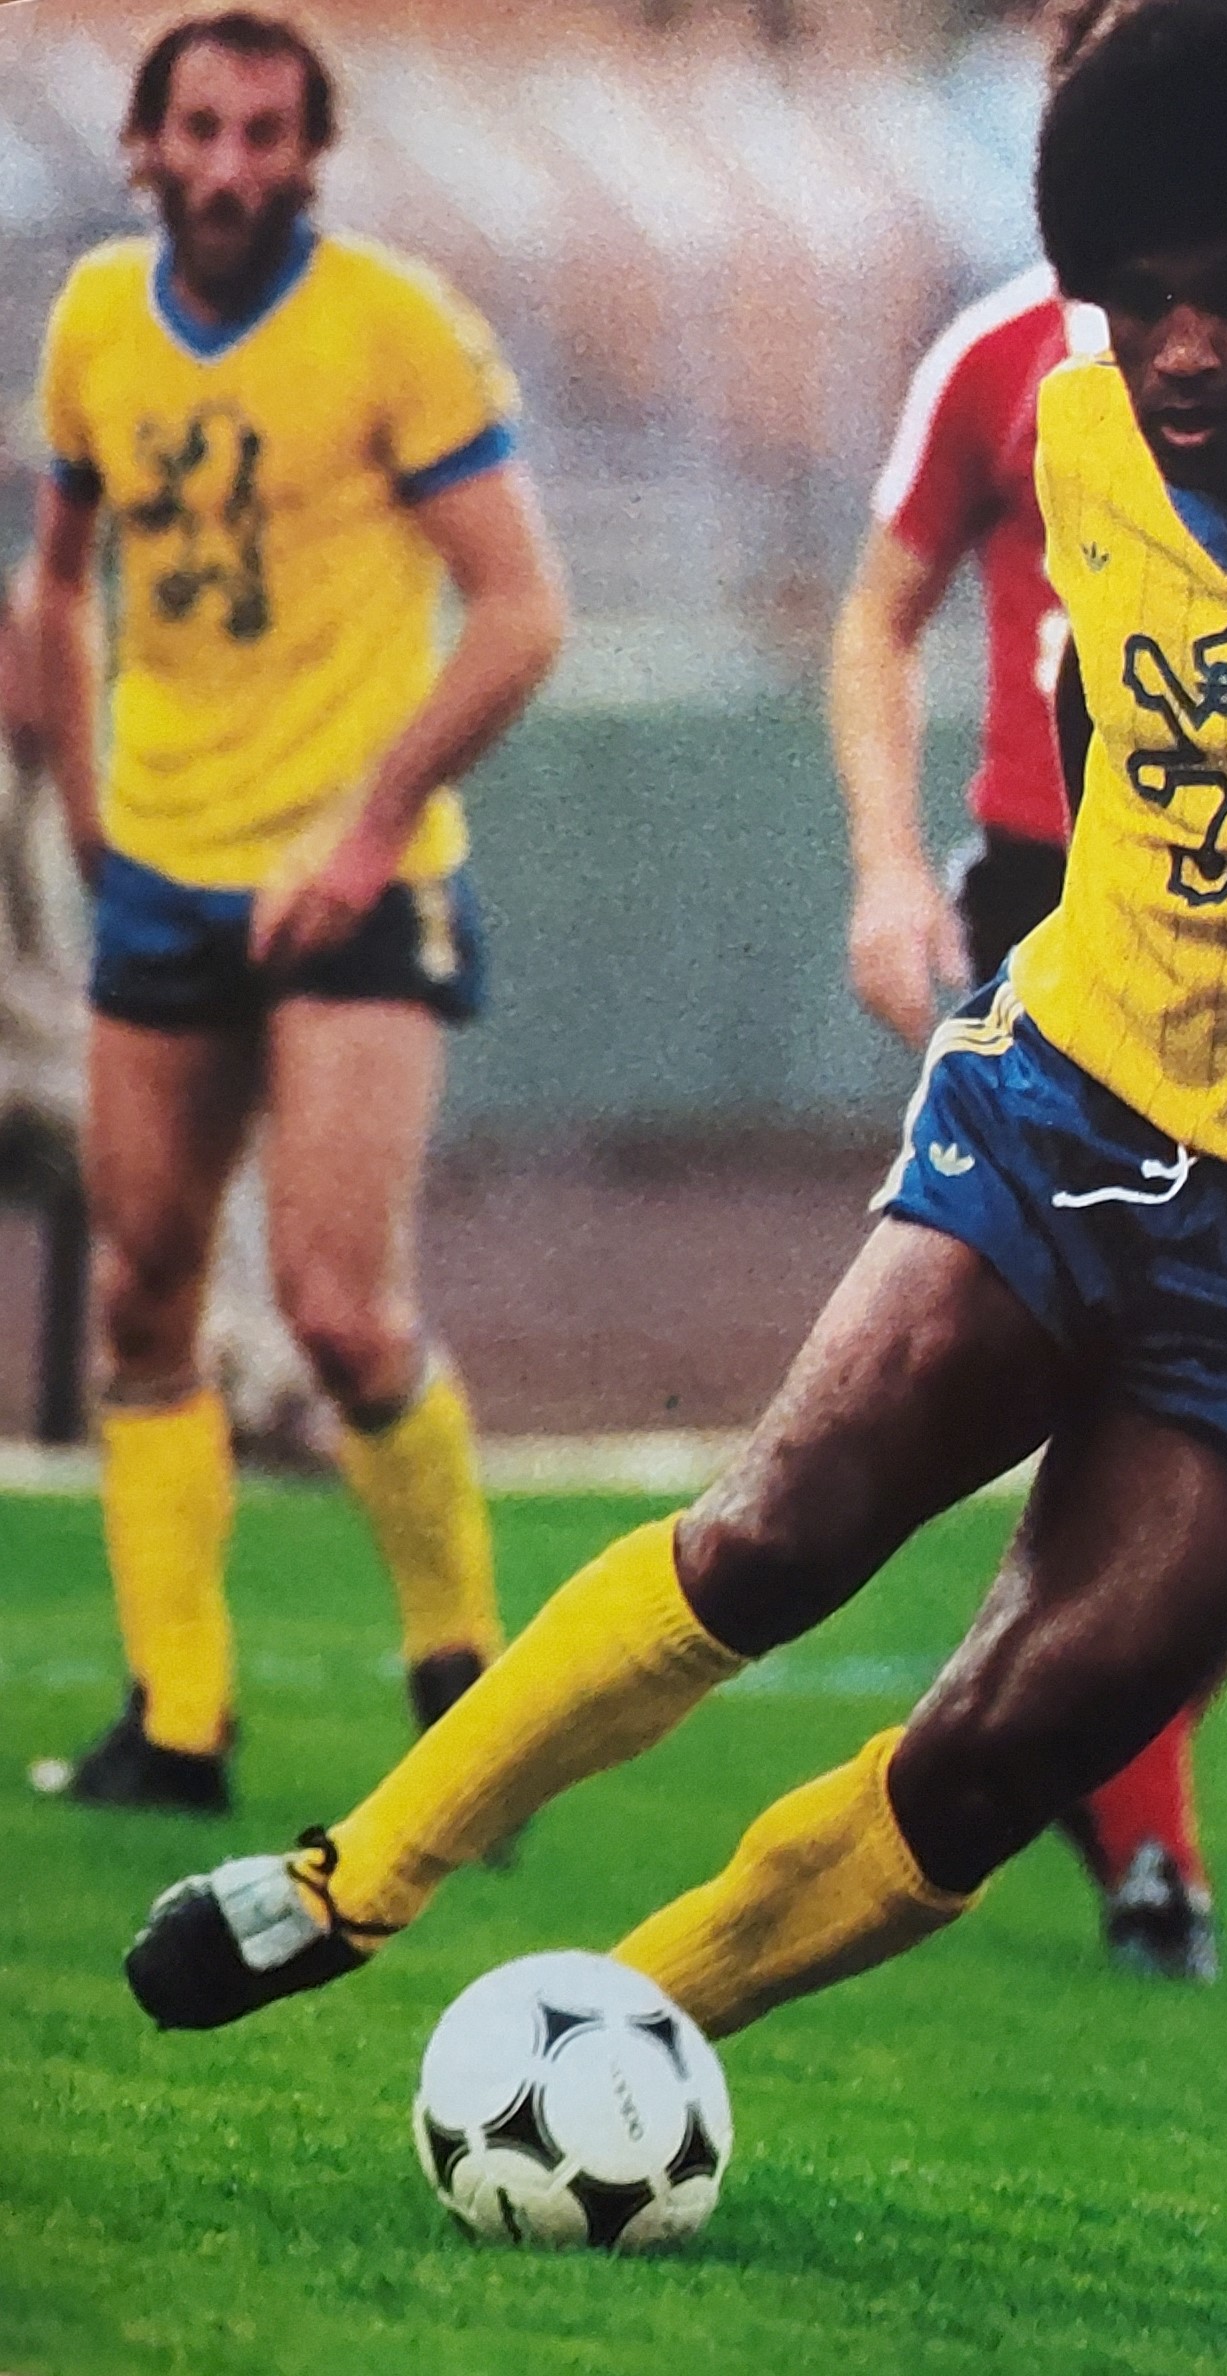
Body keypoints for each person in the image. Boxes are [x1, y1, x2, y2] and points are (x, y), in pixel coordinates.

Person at [127, 0, 1227, 2060]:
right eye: (1133, 299)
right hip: (1076, 1108)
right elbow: (1078, 710)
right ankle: (353, 1878)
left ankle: (620, 2035)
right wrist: (973, 897)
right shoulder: (1070, 426)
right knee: (772, 1530)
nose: (1175, 348)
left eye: (1224, 300)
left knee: (1004, 1745)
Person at [825, 0, 1227, 1986]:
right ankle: (1143, 1846)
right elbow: (881, 612)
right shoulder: (998, 352)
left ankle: (1090, 1761)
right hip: (1058, 904)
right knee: (1101, 1392)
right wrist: (886, 867)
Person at [19, 11, 567, 1814]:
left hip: (355, 884)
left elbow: (520, 611)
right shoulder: (96, 320)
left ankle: (461, 1676)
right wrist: (89, 812)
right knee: (142, 1299)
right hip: (164, 870)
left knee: (337, 1314)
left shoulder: (395, 326)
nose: (232, 165)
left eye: (267, 133)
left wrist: (367, 826)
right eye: (201, 130)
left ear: (313, 156)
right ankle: (178, 1722)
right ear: (146, 146)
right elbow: (58, 582)